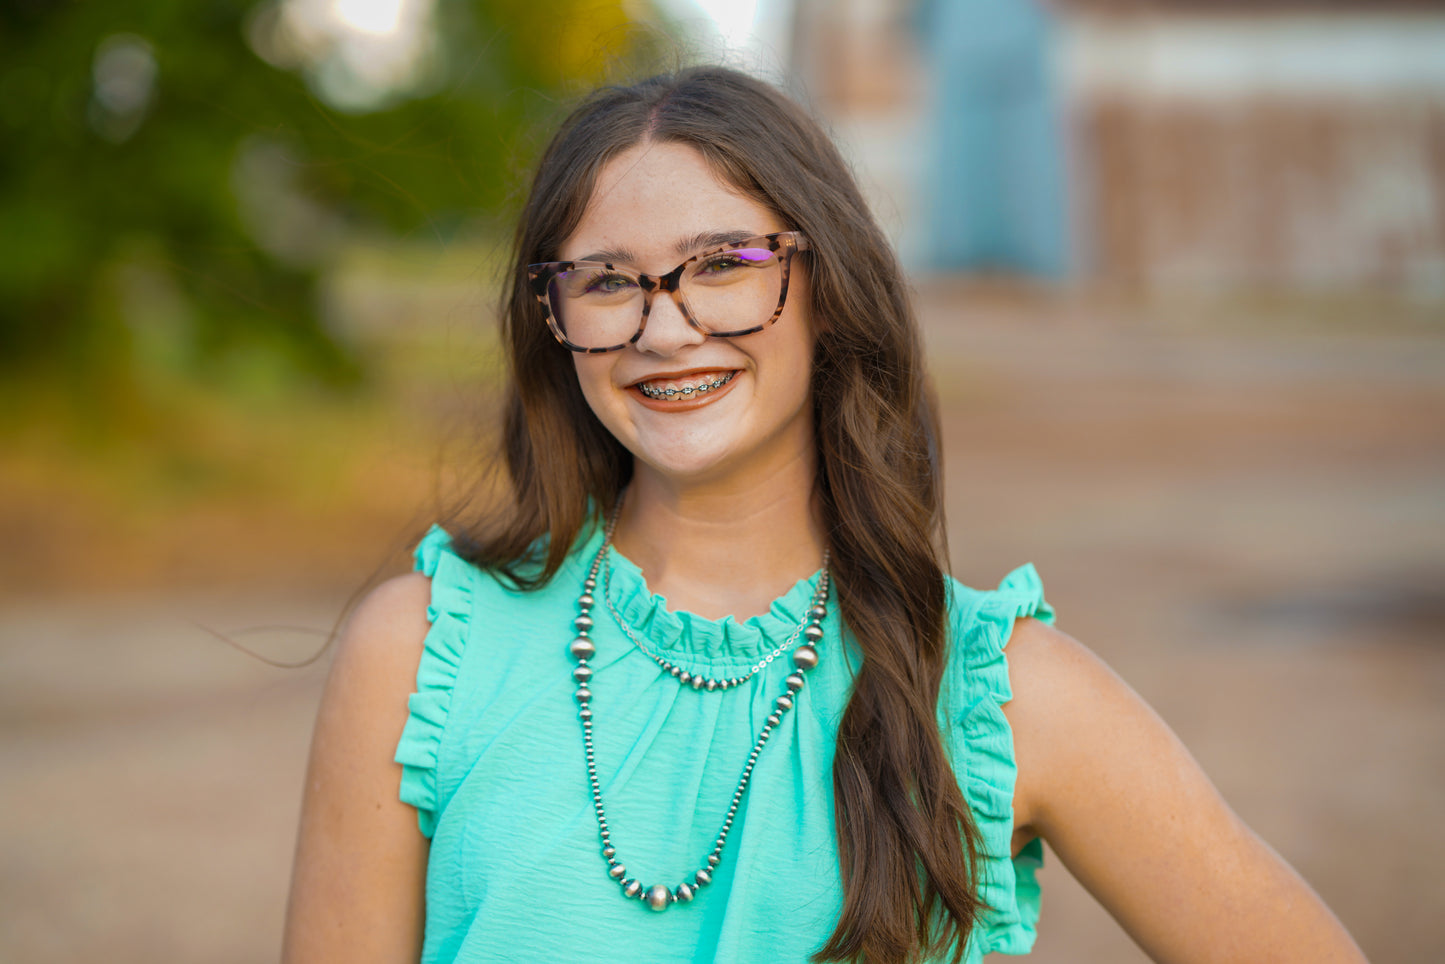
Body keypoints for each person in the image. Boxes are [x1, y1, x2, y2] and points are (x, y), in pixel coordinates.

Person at [281, 67, 1367, 964]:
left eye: (721, 265)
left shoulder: (999, 697)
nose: (666, 330)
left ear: (830, 283)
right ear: (552, 320)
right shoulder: (421, 653)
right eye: (607, 282)